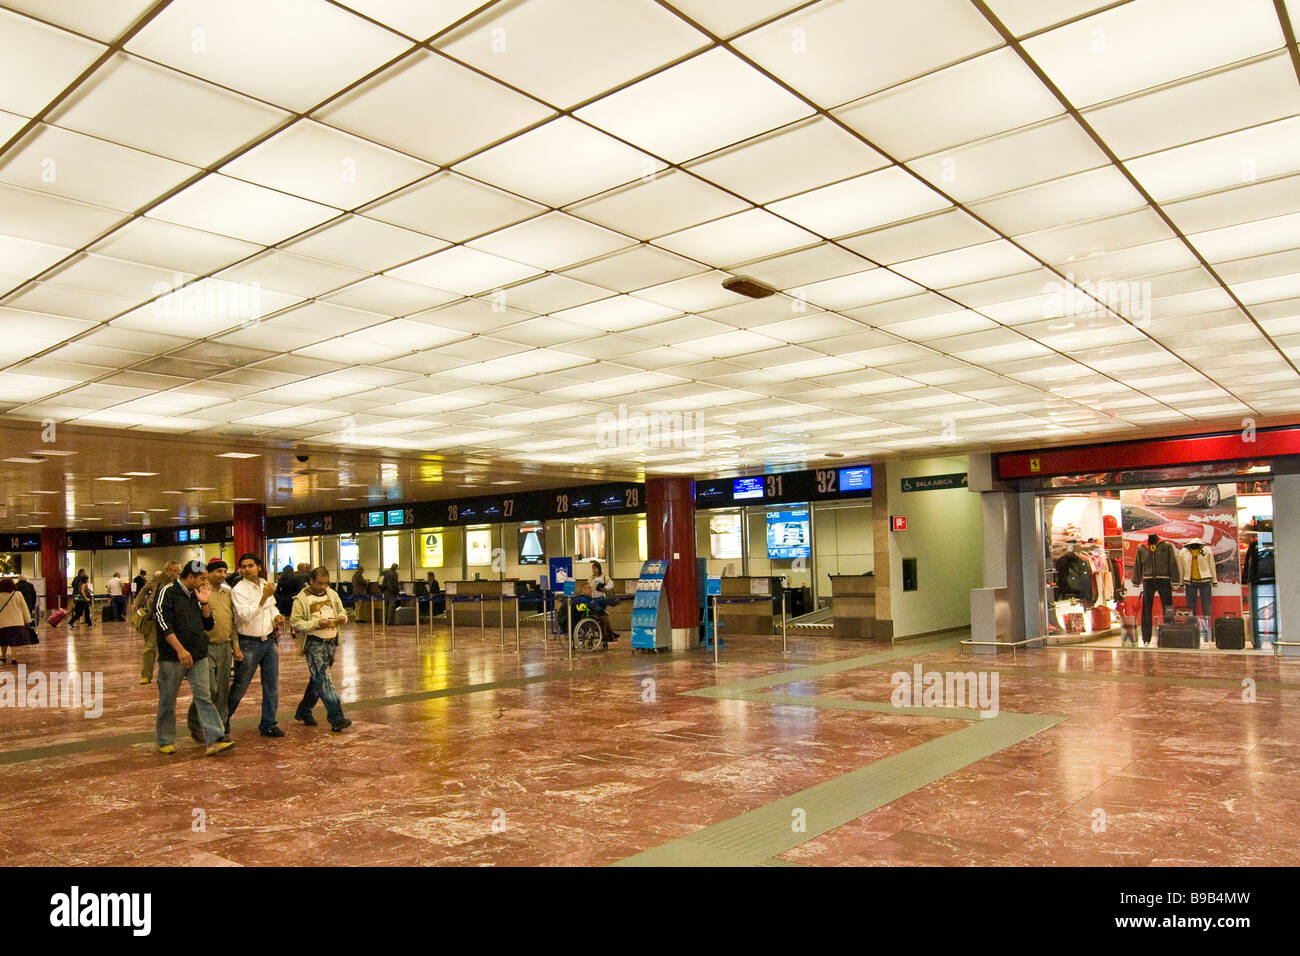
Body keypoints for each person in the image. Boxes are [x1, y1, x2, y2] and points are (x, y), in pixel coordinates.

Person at [154, 560, 233, 756]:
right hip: (172, 657)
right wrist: (180, 650)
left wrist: (204, 602)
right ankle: (165, 739)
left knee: (205, 697)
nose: (205, 582)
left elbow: (208, 624)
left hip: (198, 654)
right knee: (168, 699)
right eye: (202, 578)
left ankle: (214, 739)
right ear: (190, 577)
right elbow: (163, 623)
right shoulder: (168, 592)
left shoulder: (197, 595)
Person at [227, 553, 286, 738]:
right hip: (248, 643)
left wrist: (276, 616)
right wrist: (263, 598)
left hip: (268, 641)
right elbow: (244, 616)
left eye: (250, 565)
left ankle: (268, 723)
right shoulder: (238, 590)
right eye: (243, 566)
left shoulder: (264, 585)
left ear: (258, 567)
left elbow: (271, 607)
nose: (246, 569)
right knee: (240, 686)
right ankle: (221, 721)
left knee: (271, 686)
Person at [291, 567, 351, 732]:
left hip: (331, 642)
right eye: (320, 583)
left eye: (326, 583)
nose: (323, 587)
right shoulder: (301, 599)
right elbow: (295, 622)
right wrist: (316, 624)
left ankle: (304, 710)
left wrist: (342, 618)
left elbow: (342, 611)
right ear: (311, 581)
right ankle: (336, 717)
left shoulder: (332, 594)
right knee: (325, 680)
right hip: (314, 643)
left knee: (317, 679)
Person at [186, 559, 236, 744]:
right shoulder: (199, 591)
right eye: (218, 571)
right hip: (205, 647)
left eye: (225, 571)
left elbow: (233, 620)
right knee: (209, 689)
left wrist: (235, 645)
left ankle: (219, 729)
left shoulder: (228, 592)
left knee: (222, 690)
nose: (222, 575)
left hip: (225, 645)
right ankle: (195, 722)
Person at [131, 562, 180, 684]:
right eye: (171, 570)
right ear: (165, 570)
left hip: (172, 621)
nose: (173, 573)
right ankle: (146, 675)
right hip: (154, 619)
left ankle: (177, 673)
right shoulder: (157, 579)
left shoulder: (179, 583)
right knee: (150, 648)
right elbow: (144, 590)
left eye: (176, 571)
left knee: (175, 647)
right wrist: (137, 602)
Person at [1132, 533, 1181, 646]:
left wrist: (1175, 580)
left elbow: (1172, 563)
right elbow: (1138, 564)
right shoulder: (1141, 547)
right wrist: (1136, 580)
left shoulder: (1167, 546)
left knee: (1168, 608)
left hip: (1164, 579)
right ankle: (1146, 639)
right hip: (1148, 580)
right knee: (1146, 609)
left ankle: (1169, 637)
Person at [0, 577, 33, 666]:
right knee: (14, 641)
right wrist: (28, 620)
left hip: (2, 622)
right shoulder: (17, 594)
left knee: (3, 640)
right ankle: (14, 658)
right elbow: (24, 608)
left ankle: (3, 657)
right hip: (16, 622)